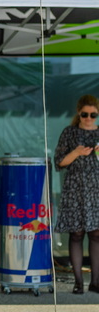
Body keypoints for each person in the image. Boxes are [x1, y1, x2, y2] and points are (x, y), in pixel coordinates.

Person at [54, 94, 99, 295]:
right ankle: (78, 282)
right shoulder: (69, 132)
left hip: (96, 191)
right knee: (76, 234)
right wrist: (77, 152)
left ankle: (95, 281)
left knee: (96, 234)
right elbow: (59, 162)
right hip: (75, 190)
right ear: (78, 113)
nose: (89, 118)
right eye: (85, 114)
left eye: (93, 115)